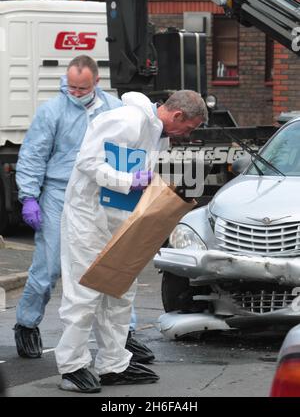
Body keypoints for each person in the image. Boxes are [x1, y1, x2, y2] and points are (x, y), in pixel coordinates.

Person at [55, 90, 208, 393]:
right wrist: (127, 182)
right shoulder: (128, 120)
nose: (186, 135)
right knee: (85, 292)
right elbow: (88, 161)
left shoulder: (156, 133)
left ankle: (113, 364)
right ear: (177, 115)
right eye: (188, 128)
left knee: (119, 290)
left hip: (118, 218)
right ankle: (71, 367)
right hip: (89, 218)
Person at [14, 55, 151, 362]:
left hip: (103, 192)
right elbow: (33, 154)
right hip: (60, 192)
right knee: (49, 266)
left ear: (96, 83)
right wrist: (29, 197)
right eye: (71, 87)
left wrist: (134, 177)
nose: (75, 93)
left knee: (116, 263)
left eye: (81, 88)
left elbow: (134, 143)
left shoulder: (115, 109)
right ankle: (26, 323)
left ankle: (124, 335)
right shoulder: (52, 111)